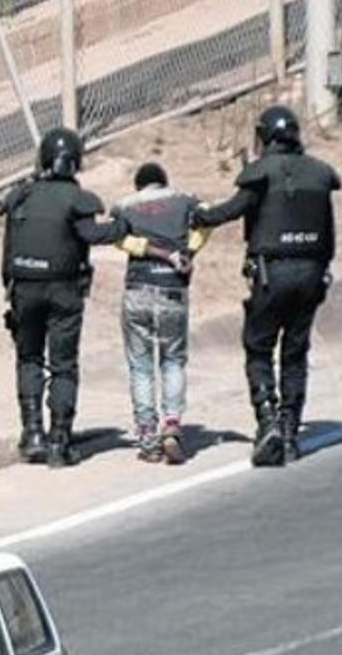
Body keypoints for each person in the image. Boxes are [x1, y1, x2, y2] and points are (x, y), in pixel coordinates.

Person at [192, 105, 341, 467]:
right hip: (312, 275)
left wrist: (198, 215)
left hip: (272, 274)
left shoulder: (261, 174)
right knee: (295, 353)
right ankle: (290, 431)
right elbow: (330, 233)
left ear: (265, 137)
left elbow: (231, 210)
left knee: (258, 347)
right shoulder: (320, 175)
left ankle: (268, 421)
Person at [0, 128, 131, 468]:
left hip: (23, 288)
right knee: (63, 365)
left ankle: (32, 435)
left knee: (28, 358)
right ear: (74, 162)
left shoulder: (21, 196)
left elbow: (7, 252)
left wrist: (9, 292)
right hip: (63, 291)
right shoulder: (78, 199)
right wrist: (122, 226)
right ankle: (59, 440)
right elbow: (92, 234)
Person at [113, 162, 208, 464]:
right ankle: (171, 425)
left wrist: (145, 249)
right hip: (172, 290)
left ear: (139, 185)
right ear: (164, 182)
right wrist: (188, 251)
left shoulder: (125, 206)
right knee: (173, 360)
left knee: (141, 366)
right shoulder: (185, 199)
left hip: (137, 289)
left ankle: (147, 438)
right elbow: (208, 220)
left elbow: (118, 239)